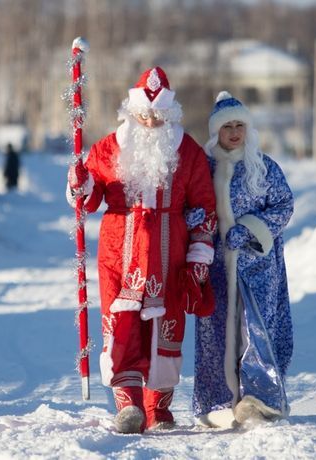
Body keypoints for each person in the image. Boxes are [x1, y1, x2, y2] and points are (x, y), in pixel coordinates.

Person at [67, 67, 217, 434]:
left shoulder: (188, 151)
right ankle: (129, 406)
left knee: (167, 325)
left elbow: (204, 207)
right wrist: (81, 185)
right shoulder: (106, 149)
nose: (150, 121)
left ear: (170, 115)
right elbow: (88, 201)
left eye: (158, 115)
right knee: (123, 327)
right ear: (131, 112)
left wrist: (199, 254)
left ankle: (158, 408)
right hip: (120, 251)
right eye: (144, 114)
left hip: (171, 252)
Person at [193, 91, 294, 428]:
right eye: (227, 127)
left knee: (256, 330)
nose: (235, 132)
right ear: (215, 132)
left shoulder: (263, 166)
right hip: (216, 267)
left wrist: (250, 230)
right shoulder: (202, 167)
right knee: (215, 331)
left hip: (257, 268)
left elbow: (283, 207)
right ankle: (217, 402)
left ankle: (259, 399)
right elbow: (187, 201)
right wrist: (193, 217)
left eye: (240, 125)